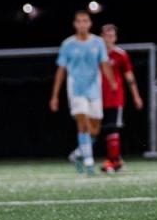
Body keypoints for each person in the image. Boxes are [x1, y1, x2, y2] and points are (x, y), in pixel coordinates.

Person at [49, 11, 118, 174]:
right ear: (75, 24)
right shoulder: (67, 44)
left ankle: (78, 154)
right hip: (76, 89)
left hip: (94, 89)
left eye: (85, 21)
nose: (82, 24)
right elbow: (61, 70)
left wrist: (113, 83)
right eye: (79, 21)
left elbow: (105, 64)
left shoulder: (98, 42)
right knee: (82, 123)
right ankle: (89, 163)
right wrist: (54, 95)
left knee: (95, 129)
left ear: (90, 23)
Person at [99, 23, 143, 173]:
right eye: (106, 35)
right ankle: (115, 160)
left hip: (115, 97)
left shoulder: (121, 54)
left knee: (113, 128)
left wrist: (136, 96)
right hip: (97, 98)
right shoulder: (96, 55)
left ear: (115, 37)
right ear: (101, 37)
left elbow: (129, 77)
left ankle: (114, 161)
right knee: (104, 130)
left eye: (111, 35)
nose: (109, 38)